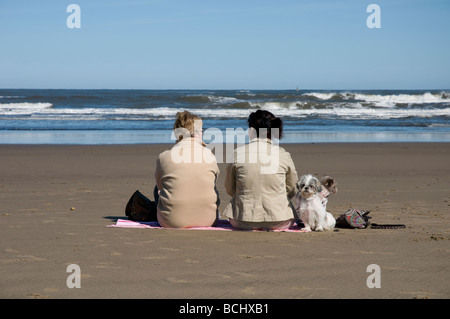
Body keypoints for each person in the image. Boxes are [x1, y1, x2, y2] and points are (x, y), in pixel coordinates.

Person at [222, 110, 298, 230]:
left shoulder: (238, 153)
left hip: (242, 220)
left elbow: (230, 189)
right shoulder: (283, 154)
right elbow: (292, 188)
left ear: (251, 131)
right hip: (280, 220)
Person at [155, 111, 220, 228]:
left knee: (159, 189)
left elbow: (160, 187)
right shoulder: (209, 155)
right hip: (208, 219)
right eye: (201, 131)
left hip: (171, 222)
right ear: (195, 134)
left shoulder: (164, 156)